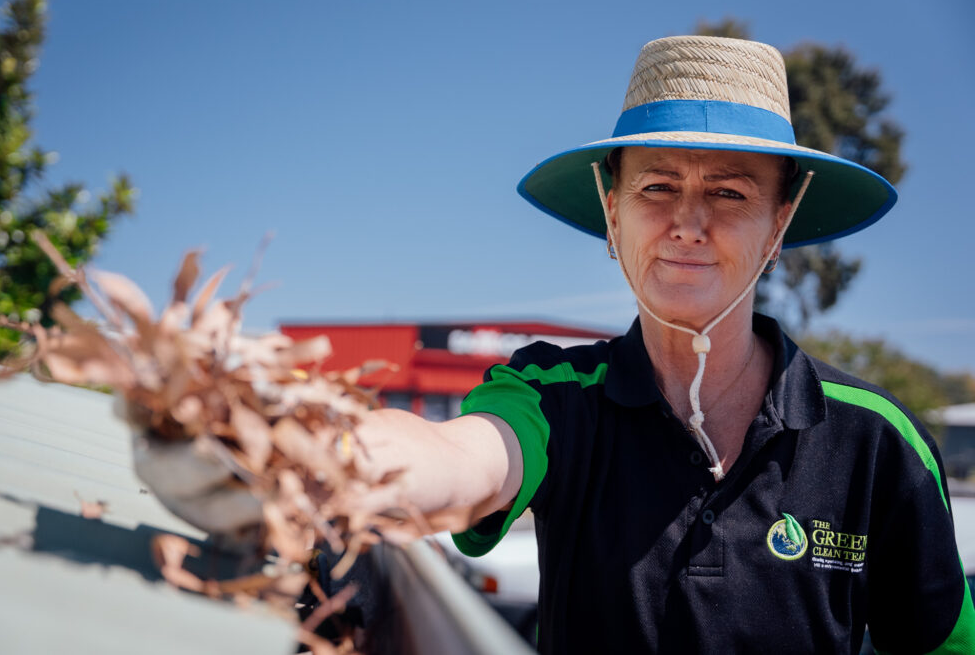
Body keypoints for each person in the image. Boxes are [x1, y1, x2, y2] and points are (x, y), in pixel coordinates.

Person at [131, 36, 975, 654]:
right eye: (656, 187)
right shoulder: (556, 395)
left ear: (779, 224)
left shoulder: (877, 441)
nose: (688, 222)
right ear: (612, 213)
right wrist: (302, 448)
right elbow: (457, 461)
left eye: (729, 191)